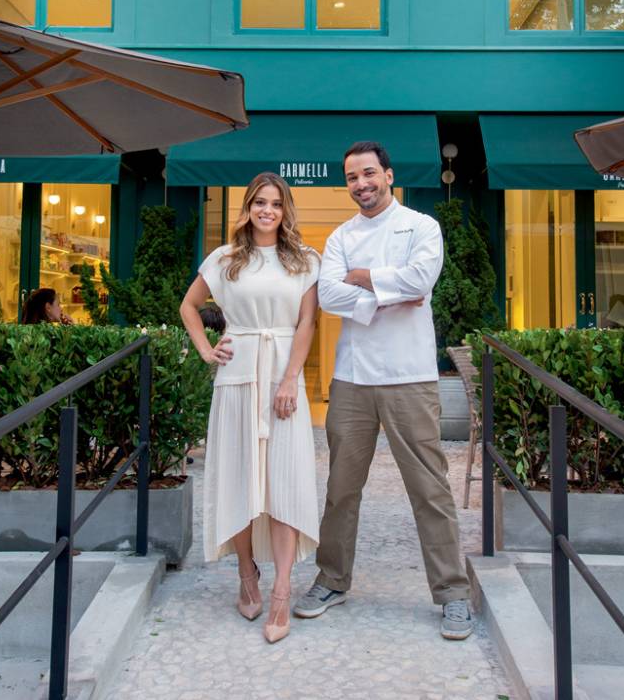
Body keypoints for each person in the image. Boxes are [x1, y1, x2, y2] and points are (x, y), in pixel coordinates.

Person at [294, 141, 473, 640]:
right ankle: (331, 580)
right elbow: (329, 294)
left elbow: (421, 279)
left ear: (389, 176)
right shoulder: (340, 235)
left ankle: (453, 594)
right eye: (352, 177)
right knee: (340, 491)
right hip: (352, 380)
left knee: (430, 490)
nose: (361, 184)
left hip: (411, 377)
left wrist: (364, 279)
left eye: (369, 173)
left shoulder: (422, 227)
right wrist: (387, 297)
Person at [180, 172, 320, 644]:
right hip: (237, 378)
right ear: (247, 207)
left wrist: (289, 380)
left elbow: (306, 324)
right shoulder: (224, 259)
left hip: (283, 378)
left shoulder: (303, 260)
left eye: (275, 204)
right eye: (259, 202)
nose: (267, 210)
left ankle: (281, 590)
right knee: (239, 477)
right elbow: (188, 306)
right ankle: (246, 572)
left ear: (285, 210)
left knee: (283, 480)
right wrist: (205, 350)